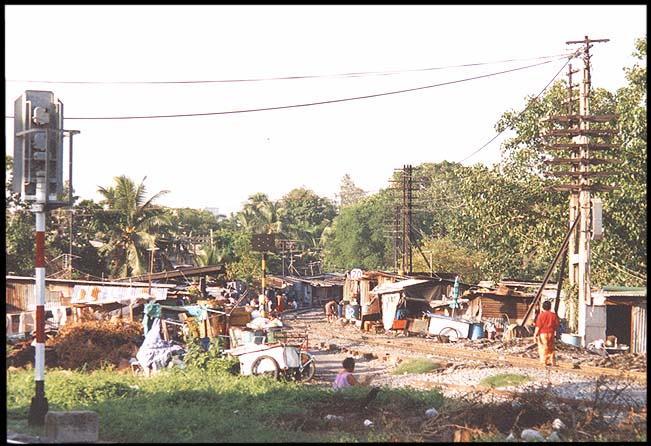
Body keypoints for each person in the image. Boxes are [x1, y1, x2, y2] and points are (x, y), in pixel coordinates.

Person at [534, 300, 560, 366]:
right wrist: (557, 334)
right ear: (550, 307)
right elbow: (557, 326)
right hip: (551, 333)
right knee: (551, 348)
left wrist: (535, 335)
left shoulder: (541, 315)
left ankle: (544, 362)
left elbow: (538, 326)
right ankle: (552, 360)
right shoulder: (554, 315)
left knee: (543, 347)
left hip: (543, 334)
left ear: (542, 307)